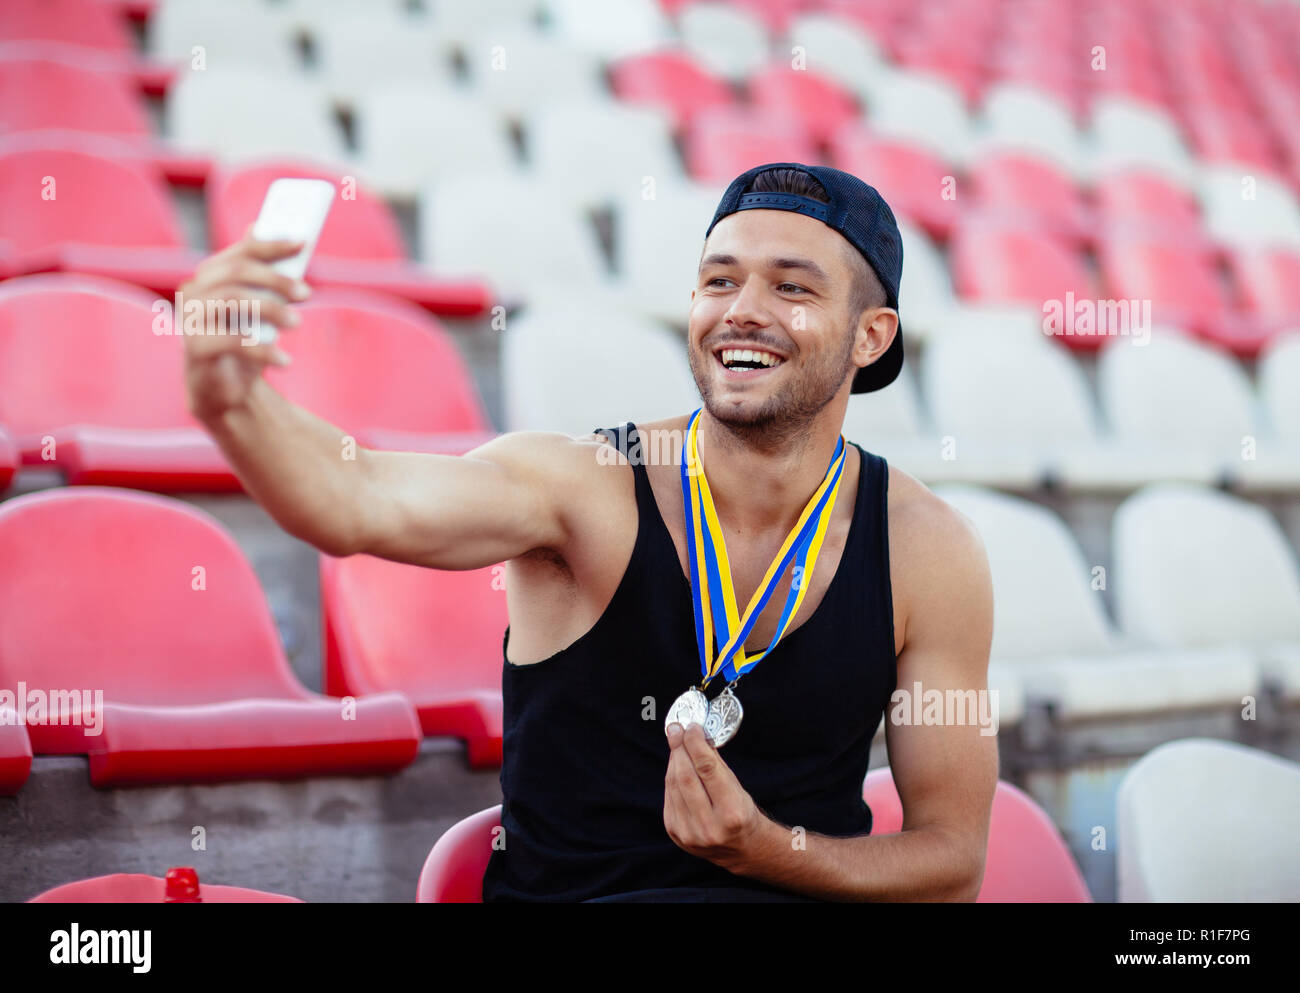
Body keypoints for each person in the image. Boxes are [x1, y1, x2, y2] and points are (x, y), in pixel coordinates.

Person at [180, 162, 997, 903]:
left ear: (871, 336)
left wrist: (768, 851)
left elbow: (953, 861)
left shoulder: (930, 550)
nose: (742, 312)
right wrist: (232, 402)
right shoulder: (581, 486)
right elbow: (355, 499)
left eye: (792, 289)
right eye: (719, 280)